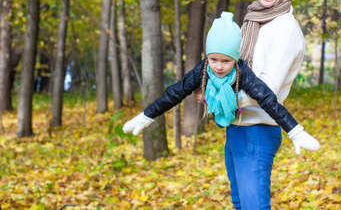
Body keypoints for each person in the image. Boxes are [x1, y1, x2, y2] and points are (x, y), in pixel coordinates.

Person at [123, 12, 320, 208]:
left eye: (226, 61)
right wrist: (146, 116)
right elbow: (176, 92)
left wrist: (295, 131)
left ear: (235, 58)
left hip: (255, 132)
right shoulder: (203, 69)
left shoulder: (243, 73)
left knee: (253, 205)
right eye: (214, 59)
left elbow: (268, 100)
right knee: (239, 202)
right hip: (234, 130)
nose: (218, 67)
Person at [222, 0, 314, 210]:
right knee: (241, 205)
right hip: (237, 126)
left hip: (258, 130)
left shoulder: (284, 28)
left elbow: (266, 89)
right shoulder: (254, 21)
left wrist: (220, 97)